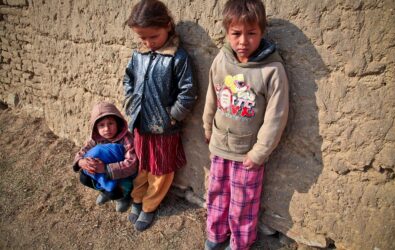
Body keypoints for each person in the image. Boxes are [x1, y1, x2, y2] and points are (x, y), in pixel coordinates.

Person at [202, 0, 289, 249]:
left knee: (243, 202)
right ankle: (215, 235)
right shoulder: (221, 60)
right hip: (220, 144)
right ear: (227, 32)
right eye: (236, 34)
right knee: (217, 193)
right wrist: (207, 126)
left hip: (248, 154)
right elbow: (212, 95)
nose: (243, 41)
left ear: (262, 32)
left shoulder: (272, 69)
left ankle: (240, 243)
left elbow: (276, 116)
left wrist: (260, 152)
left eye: (251, 33)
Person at [122, 0, 197, 231]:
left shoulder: (177, 57)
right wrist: (131, 101)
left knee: (161, 170)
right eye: (142, 38)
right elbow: (128, 79)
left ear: (168, 26)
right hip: (140, 122)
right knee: (142, 164)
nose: (148, 43)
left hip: (165, 127)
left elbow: (188, 92)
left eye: (153, 37)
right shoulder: (139, 55)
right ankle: (137, 198)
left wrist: (172, 116)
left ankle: (150, 205)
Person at [72, 102, 138, 213]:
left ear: (118, 123)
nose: (106, 129)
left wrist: (106, 169)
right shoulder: (97, 138)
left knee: (114, 192)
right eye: (101, 125)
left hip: (122, 175)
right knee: (84, 177)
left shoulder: (126, 139)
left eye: (110, 123)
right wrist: (80, 162)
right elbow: (83, 150)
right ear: (96, 127)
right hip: (103, 174)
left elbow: (132, 163)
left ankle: (123, 198)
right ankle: (104, 190)